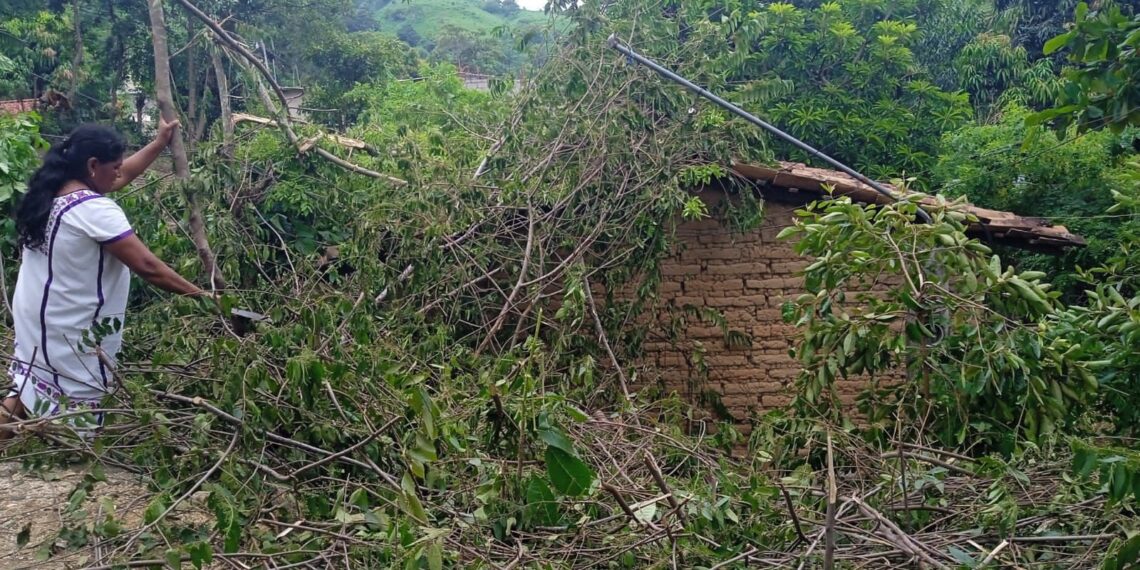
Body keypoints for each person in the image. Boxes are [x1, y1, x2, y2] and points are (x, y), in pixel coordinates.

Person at [1, 119, 209, 439]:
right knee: (75, 414)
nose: (119, 173)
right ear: (93, 165)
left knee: (32, 383)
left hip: (38, 313)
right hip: (69, 322)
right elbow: (148, 266)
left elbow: (121, 176)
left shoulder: (53, 191)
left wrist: (158, 143)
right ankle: (60, 441)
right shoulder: (95, 209)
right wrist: (203, 298)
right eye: (114, 166)